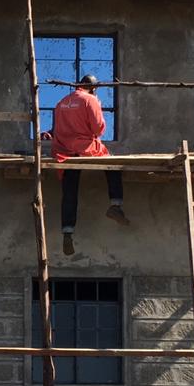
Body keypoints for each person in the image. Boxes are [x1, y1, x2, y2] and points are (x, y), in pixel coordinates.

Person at [51, 74, 130, 255]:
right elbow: (98, 128)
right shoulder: (90, 100)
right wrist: (97, 106)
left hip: (63, 150)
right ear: (93, 88)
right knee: (111, 164)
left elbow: (56, 130)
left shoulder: (61, 103)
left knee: (69, 190)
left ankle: (67, 231)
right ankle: (115, 205)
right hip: (84, 147)